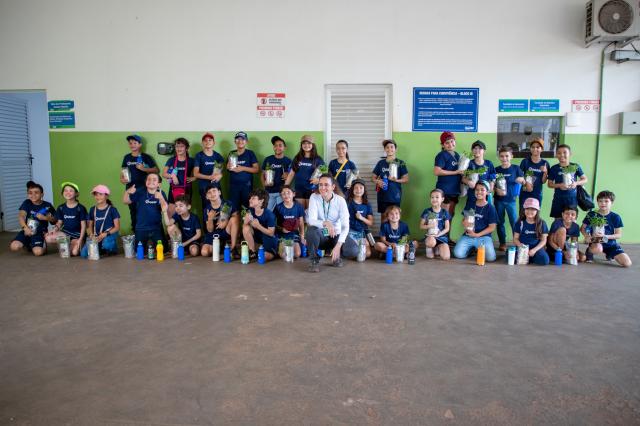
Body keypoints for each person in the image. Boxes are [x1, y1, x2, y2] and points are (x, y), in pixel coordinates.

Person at [305, 174, 358, 272]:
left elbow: (345, 226)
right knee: (311, 230)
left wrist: (338, 246)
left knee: (353, 250)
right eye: (320, 184)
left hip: (336, 235)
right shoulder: (314, 197)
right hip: (322, 236)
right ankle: (313, 260)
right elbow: (311, 220)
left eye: (326, 185)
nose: (322, 188)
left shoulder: (340, 200)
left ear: (333, 187)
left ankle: (336, 256)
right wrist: (325, 223)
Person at [581, 190, 632, 267]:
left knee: (627, 263)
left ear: (612, 202)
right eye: (600, 201)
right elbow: (582, 228)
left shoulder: (615, 217)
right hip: (595, 241)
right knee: (597, 248)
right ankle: (590, 251)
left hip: (610, 244)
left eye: (606, 201)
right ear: (597, 202)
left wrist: (605, 236)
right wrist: (586, 236)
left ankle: (610, 254)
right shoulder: (591, 214)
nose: (603, 203)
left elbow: (618, 235)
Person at [119, 134, 158, 232]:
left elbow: (156, 170)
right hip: (131, 188)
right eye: (130, 143)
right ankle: (136, 233)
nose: (132, 145)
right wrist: (122, 179)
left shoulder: (145, 157)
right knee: (133, 211)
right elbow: (123, 171)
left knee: (145, 210)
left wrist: (144, 169)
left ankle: (148, 232)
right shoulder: (127, 157)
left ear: (140, 144)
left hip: (144, 188)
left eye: (135, 143)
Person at [453, 180, 498, 262]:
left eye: (482, 190)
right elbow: (464, 220)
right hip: (469, 235)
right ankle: (471, 249)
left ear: (487, 192)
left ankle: (478, 248)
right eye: (477, 190)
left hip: (484, 237)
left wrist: (477, 235)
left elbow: (492, 227)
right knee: (458, 254)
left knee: (491, 258)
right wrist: (465, 223)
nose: (479, 192)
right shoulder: (470, 204)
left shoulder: (490, 208)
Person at [9, 180, 56, 256]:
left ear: (42, 194)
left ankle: (41, 244)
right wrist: (25, 228)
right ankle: (29, 244)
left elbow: (55, 220)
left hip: (40, 233)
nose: (33, 195)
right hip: (27, 231)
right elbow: (21, 216)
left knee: (38, 253)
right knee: (14, 247)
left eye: (36, 192)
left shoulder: (47, 205)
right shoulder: (27, 202)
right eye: (30, 193)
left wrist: (46, 218)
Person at [123, 173, 168, 248]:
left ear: (159, 184)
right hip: (141, 227)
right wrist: (127, 192)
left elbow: (165, 209)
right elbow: (126, 201)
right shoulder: (140, 191)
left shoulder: (161, 193)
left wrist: (161, 198)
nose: (151, 181)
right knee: (139, 250)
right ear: (145, 182)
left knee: (161, 249)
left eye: (154, 180)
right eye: (149, 179)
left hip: (156, 227)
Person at [494, 146, 525, 251]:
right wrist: (495, 189)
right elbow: (492, 184)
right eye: (502, 156)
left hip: (511, 201)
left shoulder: (516, 168)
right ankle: (502, 243)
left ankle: (516, 243)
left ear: (511, 156)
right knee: (500, 222)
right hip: (498, 201)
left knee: (514, 223)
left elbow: (523, 181)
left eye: (507, 156)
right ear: (499, 157)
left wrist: (521, 179)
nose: (504, 158)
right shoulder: (496, 170)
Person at [45, 182, 87, 256]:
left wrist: (80, 239)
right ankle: (66, 244)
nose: (68, 193)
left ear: (76, 194)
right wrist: (54, 230)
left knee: (74, 252)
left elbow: (83, 226)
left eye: (71, 191)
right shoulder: (61, 207)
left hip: (77, 235)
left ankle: (77, 244)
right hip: (65, 234)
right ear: (62, 193)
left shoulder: (80, 208)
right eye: (65, 190)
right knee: (48, 238)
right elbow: (59, 223)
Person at [372, 139, 409, 222]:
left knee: (395, 218)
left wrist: (396, 180)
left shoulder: (401, 162)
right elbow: (373, 178)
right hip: (382, 196)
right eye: (387, 147)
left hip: (395, 196)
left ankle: (394, 231)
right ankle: (384, 231)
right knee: (384, 219)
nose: (389, 149)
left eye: (392, 147)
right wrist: (378, 181)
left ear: (395, 149)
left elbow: (406, 179)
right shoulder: (380, 163)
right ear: (385, 149)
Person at [547, 144, 588, 219]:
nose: (562, 155)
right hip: (558, 199)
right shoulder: (554, 168)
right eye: (559, 153)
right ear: (556, 155)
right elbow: (549, 184)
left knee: (571, 221)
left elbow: (585, 179)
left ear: (570, 154)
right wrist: (559, 185)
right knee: (558, 221)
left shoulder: (575, 166)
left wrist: (576, 183)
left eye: (565, 152)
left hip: (572, 199)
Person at [433, 131, 464, 229]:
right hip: (445, 190)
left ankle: (447, 236)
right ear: (443, 145)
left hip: (454, 190)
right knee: (443, 216)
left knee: (450, 214)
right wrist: (455, 172)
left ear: (455, 141)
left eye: (452, 141)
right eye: (447, 143)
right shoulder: (441, 155)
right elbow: (437, 171)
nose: (450, 144)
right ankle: (440, 236)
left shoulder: (457, 155)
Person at [201, 183, 240, 258]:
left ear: (219, 192)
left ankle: (233, 248)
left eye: (214, 191)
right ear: (206, 197)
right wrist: (210, 219)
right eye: (209, 192)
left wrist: (226, 219)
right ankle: (221, 246)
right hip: (213, 235)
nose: (212, 194)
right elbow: (210, 230)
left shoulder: (227, 204)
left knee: (234, 219)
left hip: (225, 232)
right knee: (205, 252)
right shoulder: (207, 209)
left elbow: (236, 217)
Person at [286, 134, 324, 210]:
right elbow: (291, 174)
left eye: (309, 143)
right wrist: (285, 186)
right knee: (301, 213)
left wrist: (319, 180)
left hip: (312, 190)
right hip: (299, 190)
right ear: (301, 145)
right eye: (304, 143)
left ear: (313, 145)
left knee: (310, 213)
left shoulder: (318, 159)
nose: (306, 145)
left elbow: (325, 174)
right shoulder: (297, 158)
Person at [82, 184, 120, 257]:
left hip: (109, 234)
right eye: (96, 195)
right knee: (84, 254)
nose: (98, 197)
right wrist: (91, 234)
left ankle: (112, 248)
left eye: (100, 194)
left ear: (106, 196)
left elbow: (117, 227)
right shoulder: (92, 209)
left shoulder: (112, 209)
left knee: (107, 244)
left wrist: (105, 234)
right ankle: (101, 248)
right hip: (97, 235)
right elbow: (90, 225)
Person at [242, 189, 279, 262]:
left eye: (253, 198)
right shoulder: (250, 211)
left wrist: (258, 226)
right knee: (245, 227)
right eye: (250, 198)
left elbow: (271, 233)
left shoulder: (269, 215)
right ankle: (252, 252)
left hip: (268, 239)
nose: (250, 200)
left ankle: (274, 251)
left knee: (263, 257)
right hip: (258, 238)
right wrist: (245, 222)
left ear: (261, 201)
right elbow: (245, 227)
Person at [163, 137, 195, 218]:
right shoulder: (171, 160)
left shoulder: (191, 161)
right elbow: (164, 174)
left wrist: (194, 178)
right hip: (174, 189)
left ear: (186, 148)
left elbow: (197, 173)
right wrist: (172, 176)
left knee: (185, 214)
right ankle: (171, 226)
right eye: (177, 146)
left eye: (181, 146)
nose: (179, 148)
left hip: (187, 190)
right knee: (170, 214)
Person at [227, 131, 259, 210]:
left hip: (247, 186)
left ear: (246, 141)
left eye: (243, 139)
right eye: (238, 139)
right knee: (234, 210)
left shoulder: (250, 153)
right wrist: (228, 167)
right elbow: (227, 167)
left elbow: (256, 169)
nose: (240, 141)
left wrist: (242, 168)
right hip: (233, 186)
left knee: (247, 209)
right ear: (235, 141)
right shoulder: (231, 153)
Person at [193, 132, 225, 213]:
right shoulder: (199, 156)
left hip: (216, 187)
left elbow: (220, 171)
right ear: (202, 143)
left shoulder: (218, 156)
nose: (208, 142)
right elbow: (196, 173)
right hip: (204, 187)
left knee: (220, 209)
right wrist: (209, 177)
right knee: (207, 209)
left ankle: (220, 222)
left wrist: (220, 175)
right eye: (205, 140)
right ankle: (207, 222)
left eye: (210, 140)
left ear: (214, 143)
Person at [513, 198, 550, 265]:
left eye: (533, 209)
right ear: (524, 210)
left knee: (544, 260)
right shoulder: (519, 223)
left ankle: (529, 258)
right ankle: (529, 258)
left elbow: (543, 240)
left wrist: (534, 250)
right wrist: (520, 246)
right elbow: (515, 239)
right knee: (510, 256)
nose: (529, 211)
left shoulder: (542, 223)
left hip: (536, 248)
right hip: (522, 248)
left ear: (537, 211)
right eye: (527, 208)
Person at [462, 140, 495, 211]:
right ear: (472, 151)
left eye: (480, 148)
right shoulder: (468, 163)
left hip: (485, 194)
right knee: (469, 215)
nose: (477, 150)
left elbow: (493, 176)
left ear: (484, 151)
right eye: (475, 148)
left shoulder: (489, 163)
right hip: (472, 194)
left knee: (485, 214)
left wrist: (491, 187)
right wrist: (468, 182)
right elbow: (462, 178)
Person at [273, 185, 306, 258]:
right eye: (283, 193)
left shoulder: (299, 206)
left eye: (288, 192)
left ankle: (294, 246)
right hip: (282, 235)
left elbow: (301, 223)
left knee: (297, 254)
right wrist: (282, 229)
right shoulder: (278, 207)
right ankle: (278, 246)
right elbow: (272, 223)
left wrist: (302, 236)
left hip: (294, 234)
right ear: (281, 196)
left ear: (293, 194)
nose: (286, 195)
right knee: (283, 255)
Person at [419, 188, 451, 260]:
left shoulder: (444, 212)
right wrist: (430, 226)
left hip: (441, 237)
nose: (434, 199)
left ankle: (437, 247)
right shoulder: (427, 211)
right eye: (432, 197)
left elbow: (447, 228)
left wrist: (439, 234)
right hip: (431, 236)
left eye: (437, 197)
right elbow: (421, 226)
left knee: (446, 257)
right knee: (430, 254)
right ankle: (429, 247)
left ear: (442, 199)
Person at [262, 136, 292, 210]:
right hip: (269, 192)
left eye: (280, 145)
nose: (277, 147)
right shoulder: (268, 159)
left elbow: (291, 176)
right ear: (273, 147)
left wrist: (287, 175)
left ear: (284, 147)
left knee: (281, 213)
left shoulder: (288, 161)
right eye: (275, 145)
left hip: (282, 193)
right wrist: (264, 186)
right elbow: (262, 175)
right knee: (268, 212)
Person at [519, 138, 549, 211]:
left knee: (535, 214)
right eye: (533, 147)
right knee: (523, 213)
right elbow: (520, 177)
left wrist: (545, 172)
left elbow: (543, 181)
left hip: (537, 193)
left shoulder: (545, 163)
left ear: (541, 149)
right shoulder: (525, 161)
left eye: (538, 147)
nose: (535, 149)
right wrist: (526, 184)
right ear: (530, 149)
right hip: (525, 192)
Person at [346, 179, 374, 258]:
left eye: (361, 187)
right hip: (350, 232)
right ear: (352, 190)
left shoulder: (367, 204)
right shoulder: (348, 203)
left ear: (364, 189)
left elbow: (370, 223)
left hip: (361, 233)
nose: (358, 190)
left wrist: (361, 218)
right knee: (353, 252)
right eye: (356, 188)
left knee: (368, 254)